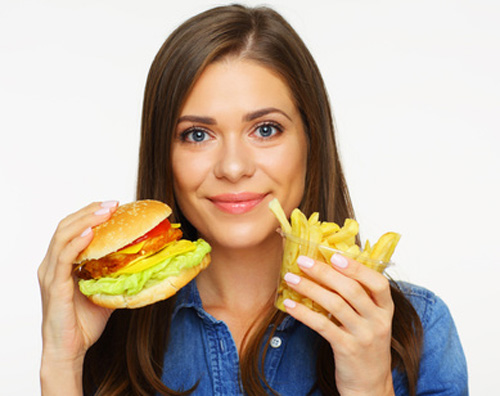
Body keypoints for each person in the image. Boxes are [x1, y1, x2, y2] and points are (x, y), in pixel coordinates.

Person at [38, 4, 468, 396]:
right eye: (197, 134)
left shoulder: (416, 328)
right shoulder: (108, 334)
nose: (233, 166)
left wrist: (370, 385)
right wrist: (61, 362)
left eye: (265, 129)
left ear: (311, 141)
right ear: (163, 155)